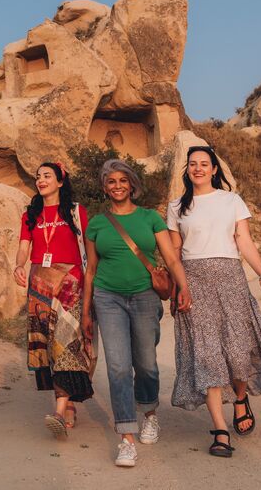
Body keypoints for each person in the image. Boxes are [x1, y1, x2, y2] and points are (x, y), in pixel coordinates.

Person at [167, 145, 261, 458]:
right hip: (194, 283)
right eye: (192, 164)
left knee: (238, 351)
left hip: (231, 280)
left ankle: (240, 399)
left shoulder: (231, 200)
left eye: (204, 164)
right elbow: (174, 254)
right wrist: (177, 288)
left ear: (213, 169)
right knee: (207, 355)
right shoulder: (177, 206)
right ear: (188, 170)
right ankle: (220, 431)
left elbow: (243, 240)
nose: (197, 168)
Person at [83, 159, 191, 468]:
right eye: (111, 182)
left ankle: (150, 413)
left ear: (132, 184)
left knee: (145, 363)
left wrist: (183, 288)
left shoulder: (149, 218)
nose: (117, 186)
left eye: (122, 181)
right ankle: (126, 437)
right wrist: (85, 312)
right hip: (107, 297)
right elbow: (90, 270)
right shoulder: (97, 223)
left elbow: (170, 258)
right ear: (105, 187)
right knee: (117, 367)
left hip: (145, 296)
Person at [12, 162, 94, 439]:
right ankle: (66, 400)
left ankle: (59, 410)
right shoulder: (30, 213)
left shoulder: (75, 211)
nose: (41, 180)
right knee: (46, 343)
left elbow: (88, 251)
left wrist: (90, 287)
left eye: (47, 176)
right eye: (38, 177)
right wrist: (18, 265)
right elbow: (25, 245)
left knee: (66, 343)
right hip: (39, 282)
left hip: (70, 282)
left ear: (60, 181)